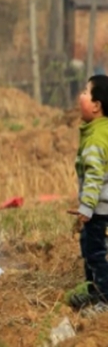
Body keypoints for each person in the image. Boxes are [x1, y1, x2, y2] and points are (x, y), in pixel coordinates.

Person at [68, 74, 108, 313]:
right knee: (90, 248)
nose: (80, 95)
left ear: (96, 105)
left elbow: (94, 176)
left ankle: (104, 300)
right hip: (102, 208)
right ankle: (93, 293)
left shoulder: (95, 139)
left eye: (85, 91)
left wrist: (86, 208)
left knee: (96, 254)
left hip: (99, 211)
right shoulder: (102, 131)